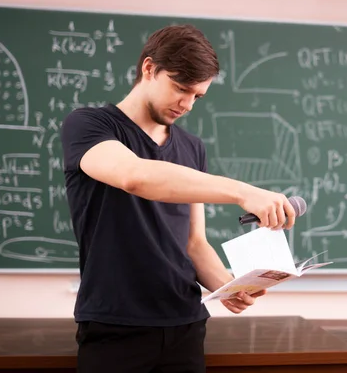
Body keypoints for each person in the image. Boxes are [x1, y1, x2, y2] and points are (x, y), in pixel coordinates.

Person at [60, 24, 296, 373]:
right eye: (181, 89)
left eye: (198, 96)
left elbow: (193, 243)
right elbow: (134, 177)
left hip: (186, 325)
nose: (187, 104)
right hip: (115, 326)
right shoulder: (89, 126)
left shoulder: (192, 147)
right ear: (149, 69)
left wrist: (229, 286)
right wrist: (243, 192)